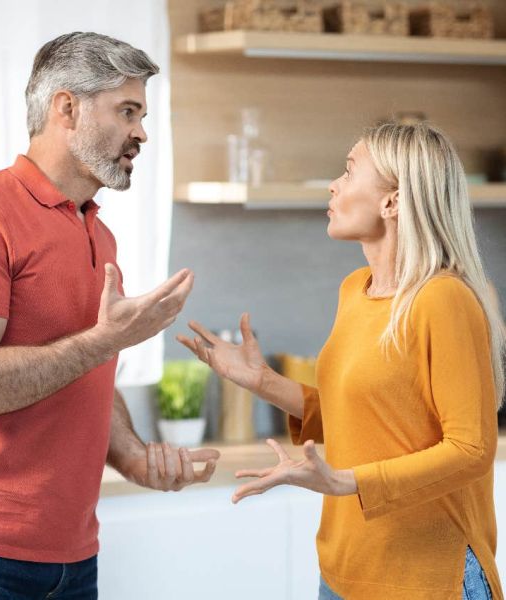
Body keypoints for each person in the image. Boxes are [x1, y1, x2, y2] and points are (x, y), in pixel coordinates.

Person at [0, 32, 219, 599]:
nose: (141, 133)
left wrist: (134, 457)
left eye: (142, 115)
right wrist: (105, 341)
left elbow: (83, 372)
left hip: (75, 556)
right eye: (127, 111)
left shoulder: (98, 232)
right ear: (67, 108)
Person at [179, 122, 505, 599]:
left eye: (349, 172)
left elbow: (472, 450)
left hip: (425, 578)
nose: (334, 184)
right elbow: (362, 418)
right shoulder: (355, 290)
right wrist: (261, 380)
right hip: (343, 570)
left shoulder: (443, 299)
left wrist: (344, 480)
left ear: (392, 202)